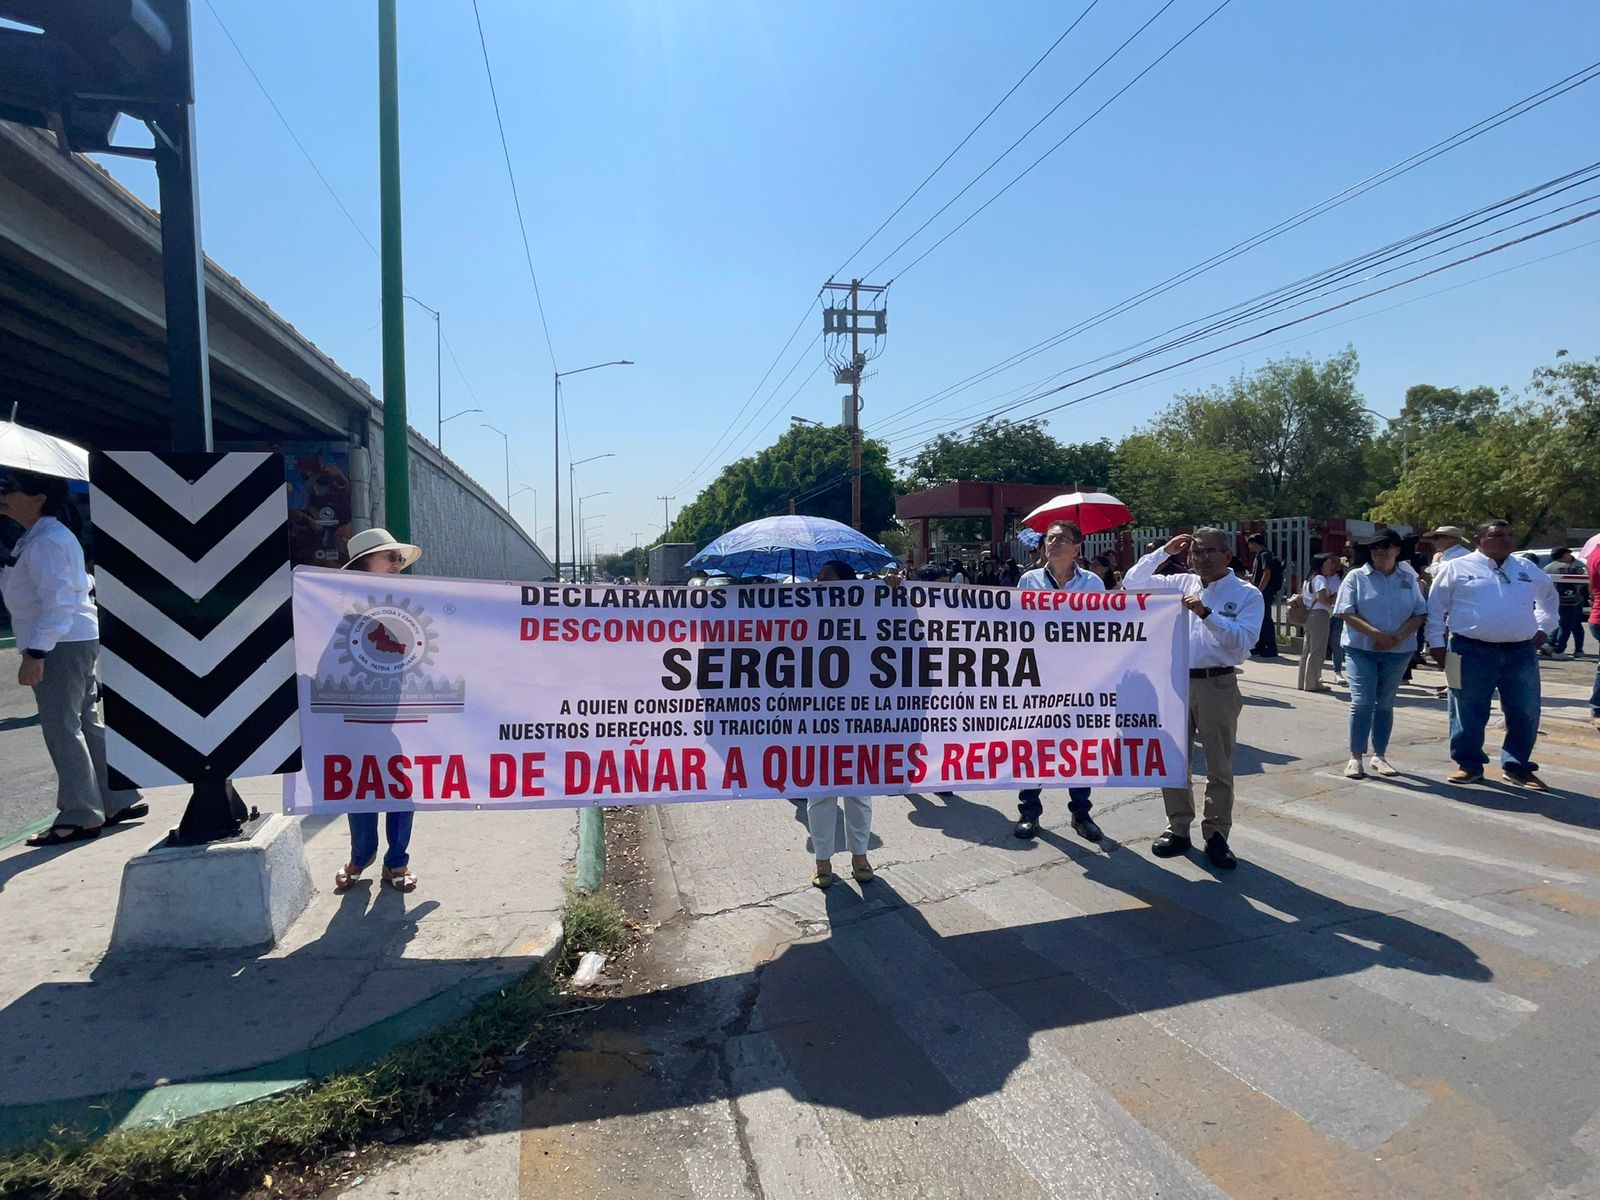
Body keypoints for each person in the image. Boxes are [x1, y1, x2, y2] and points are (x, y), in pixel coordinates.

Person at [0, 469, 147, 847]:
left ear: (38, 499)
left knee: (62, 727)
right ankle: (116, 799)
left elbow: (60, 600)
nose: (4, 495)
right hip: (71, 638)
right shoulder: (41, 537)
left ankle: (80, 815)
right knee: (82, 720)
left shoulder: (47, 540)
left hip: (59, 643)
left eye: (11, 489)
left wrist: (36, 652)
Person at [1123, 529, 1263, 870]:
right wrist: (1163, 553)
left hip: (1217, 684)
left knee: (1219, 766)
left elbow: (1243, 642)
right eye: (1196, 552)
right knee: (1173, 761)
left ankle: (1216, 835)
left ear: (1228, 556)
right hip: (1174, 683)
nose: (1201, 558)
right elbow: (1132, 582)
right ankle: (1178, 827)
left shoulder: (1246, 594)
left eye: (1210, 552)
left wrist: (1206, 614)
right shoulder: (1182, 583)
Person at [1425, 519, 1559, 790]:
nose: (1506, 540)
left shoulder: (1526, 568)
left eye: (1510, 535)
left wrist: (1544, 628)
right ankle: (1468, 765)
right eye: (1498, 535)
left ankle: (1517, 767)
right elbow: (1435, 607)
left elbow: (1549, 599)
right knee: (1465, 710)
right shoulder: (1455, 568)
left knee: (1526, 711)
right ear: (1478, 540)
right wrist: (1436, 645)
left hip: (1521, 652)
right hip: (1465, 649)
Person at [335, 526, 424, 892]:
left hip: (401, 718)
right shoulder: (340, 609)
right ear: (363, 565)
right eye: (390, 557)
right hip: (355, 717)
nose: (398, 563)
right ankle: (362, 855)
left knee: (400, 791)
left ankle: (396, 862)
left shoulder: (410, 606)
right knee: (360, 788)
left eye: (400, 559)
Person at [1013, 521, 1103, 843]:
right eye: (1050, 538)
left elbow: (1104, 627)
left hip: (1080, 680)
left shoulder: (1092, 583)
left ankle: (1081, 813)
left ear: (1078, 547)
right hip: (1038, 677)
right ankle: (1029, 811)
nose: (1054, 543)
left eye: (1062, 538)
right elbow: (1016, 623)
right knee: (1034, 743)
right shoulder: (1029, 580)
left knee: (1078, 746)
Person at [1334, 531, 1428, 778]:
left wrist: (1396, 638)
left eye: (1387, 546)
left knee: (1385, 703)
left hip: (1398, 651)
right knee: (1362, 701)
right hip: (1361, 649)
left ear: (1397, 549)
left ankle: (1380, 755)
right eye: (1375, 546)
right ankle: (1355, 757)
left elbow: (1420, 613)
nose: (1381, 550)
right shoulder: (1356, 577)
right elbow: (1346, 611)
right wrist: (1378, 636)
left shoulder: (1408, 576)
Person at [806, 559, 873, 886]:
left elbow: (905, 619)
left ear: (847, 583)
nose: (819, 583)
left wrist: (894, 590)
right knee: (820, 791)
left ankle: (860, 855)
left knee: (859, 789)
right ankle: (822, 861)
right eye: (817, 579)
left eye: (827, 578)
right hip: (816, 715)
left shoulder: (869, 611)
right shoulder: (804, 613)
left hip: (859, 715)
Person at [1297, 555, 1340, 692]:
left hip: (1309, 615)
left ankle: (1303, 682)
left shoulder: (1308, 579)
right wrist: (1333, 600)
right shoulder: (1320, 579)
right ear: (1320, 564)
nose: (1330, 567)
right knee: (1318, 650)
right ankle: (1313, 682)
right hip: (1320, 615)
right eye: (1327, 563)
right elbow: (1322, 598)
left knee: (1308, 649)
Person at [1543, 547, 1588, 658]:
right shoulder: (1569, 568)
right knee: (1566, 625)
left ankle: (1549, 644)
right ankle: (1558, 650)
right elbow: (1581, 575)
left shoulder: (1546, 568)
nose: (1570, 556)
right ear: (1563, 555)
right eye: (1568, 554)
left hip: (1552, 600)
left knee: (1556, 623)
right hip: (1569, 600)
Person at [1247, 532, 1283, 658]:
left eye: (1249, 544)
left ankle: (1270, 648)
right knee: (1260, 619)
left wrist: (1259, 591)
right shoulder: (1261, 555)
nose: (1249, 547)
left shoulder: (1265, 555)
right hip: (1263, 592)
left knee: (1265, 619)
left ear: (1254, 543)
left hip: (1265, 592)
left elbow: (1266, 574)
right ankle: (1260, 646)